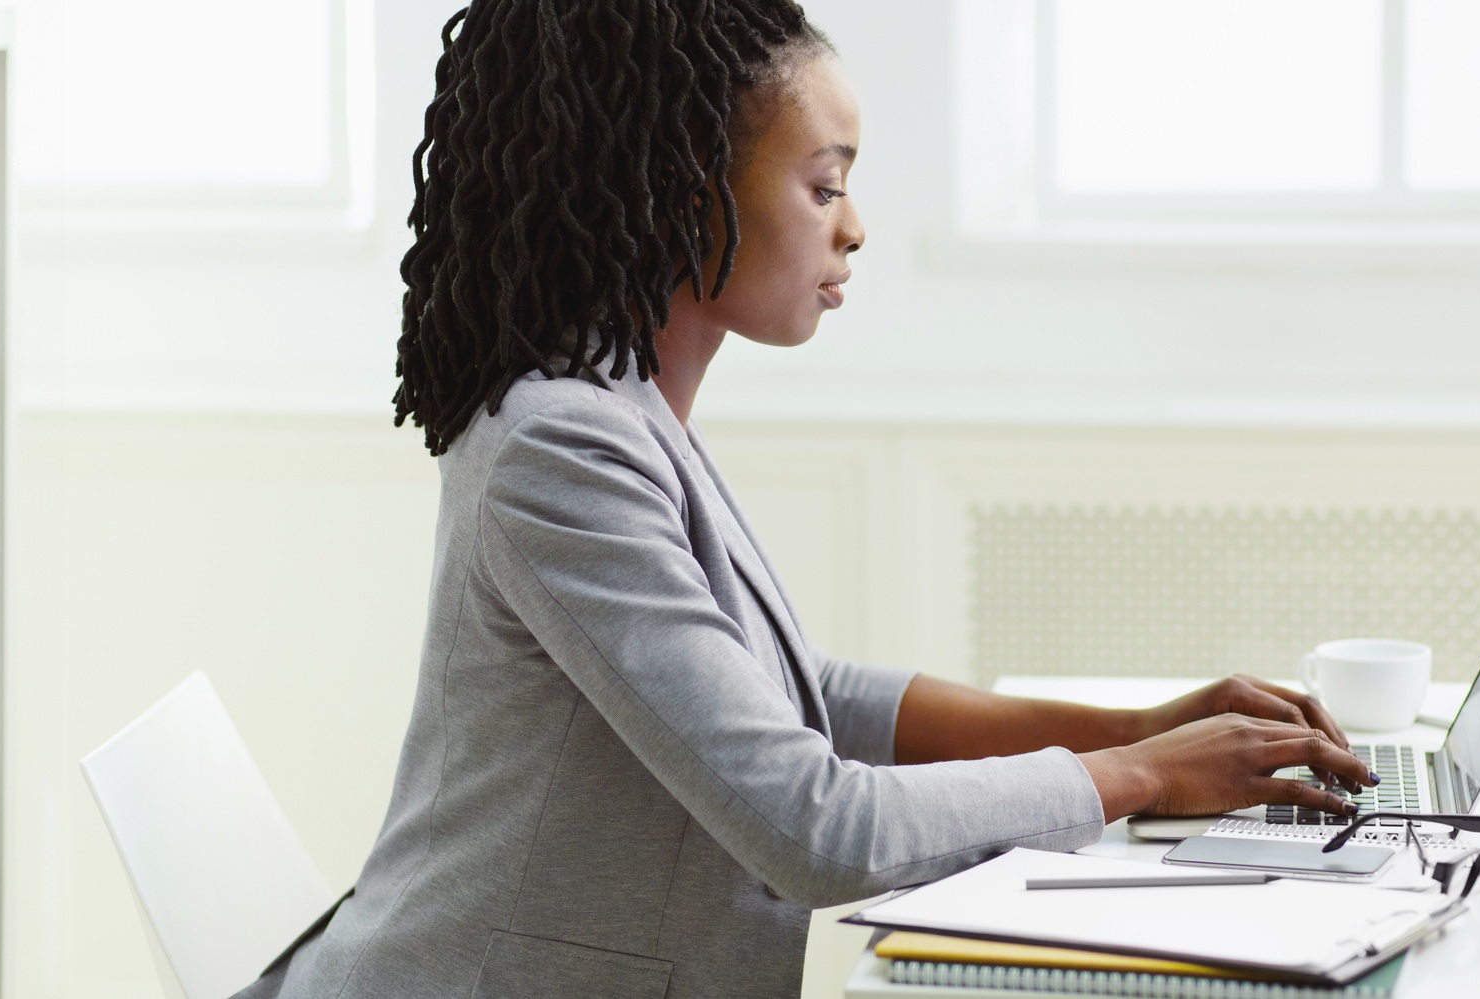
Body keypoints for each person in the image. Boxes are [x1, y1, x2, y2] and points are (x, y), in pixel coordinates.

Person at [236, 3, 1375, 997]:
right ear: (679, 188)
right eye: (823, 184)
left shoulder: (622, 410)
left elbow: (806, 695)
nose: (854, 226)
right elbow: (811, 826)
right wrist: (1138, 778)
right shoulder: (562, 446)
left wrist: (1136, 731)